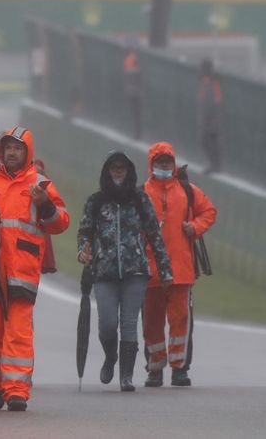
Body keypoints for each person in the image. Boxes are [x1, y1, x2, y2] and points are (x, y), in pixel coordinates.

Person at [0, 127, 69, 412]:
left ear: (27, 152)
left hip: (22, 272)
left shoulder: (41, 184)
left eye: (18, 148)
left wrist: (44, 205)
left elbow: (60, 223)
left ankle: (17, 391)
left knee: (19, 333)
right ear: (0, 150)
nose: (12, 152)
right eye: (8, 147)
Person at [77, 151, 173, 392]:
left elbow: (154, 235)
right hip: (104, 270)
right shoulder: (96, 201)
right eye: (114, 167)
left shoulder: (140, 200)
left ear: (129, 171)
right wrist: (83, 251)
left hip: (136, 270)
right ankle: (111, 357)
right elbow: (85, 232)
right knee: (107, 324)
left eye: (123, 168)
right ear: (107, 171)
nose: (118, 171)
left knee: (129, 322)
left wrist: (165, 269)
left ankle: (126, 376)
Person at [141, 142, 217, 388]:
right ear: (151, 164)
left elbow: (209, 211)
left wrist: (194, 227)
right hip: (149, 270)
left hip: (180, 269)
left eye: (167, 162)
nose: (164, 166)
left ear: (173, 164)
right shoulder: (141, 192)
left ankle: (179, 368)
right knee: (151, 322)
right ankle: (154, 369)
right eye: (159, 162)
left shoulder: (188, 191)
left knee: (181, 319)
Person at [197, 59, 222, 173]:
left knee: (209, 142)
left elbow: (214, 103)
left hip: (211, 119)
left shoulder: (212, 83)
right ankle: (214, 165)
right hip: (207, 118)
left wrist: (209, 119)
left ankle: (215, 165)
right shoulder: (205, 82)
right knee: (207, 142)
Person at [123, 48, 142, 139]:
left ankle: (136, 134)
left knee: (135, 114)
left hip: (132, 91)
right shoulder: (134, 59)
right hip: (136, 92)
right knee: (136, 114)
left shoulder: (128, 59)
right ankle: (136, 134)